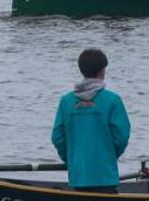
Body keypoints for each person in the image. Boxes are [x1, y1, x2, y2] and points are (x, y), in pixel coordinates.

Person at [51, 47, 131, 193]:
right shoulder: (112, 100)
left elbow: (57, 137)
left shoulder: (66, 101)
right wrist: (109, 157)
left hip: (78, 175)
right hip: (105, 175)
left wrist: (71, 160)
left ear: (81, 70)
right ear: (102, 71)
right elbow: (121, 137)